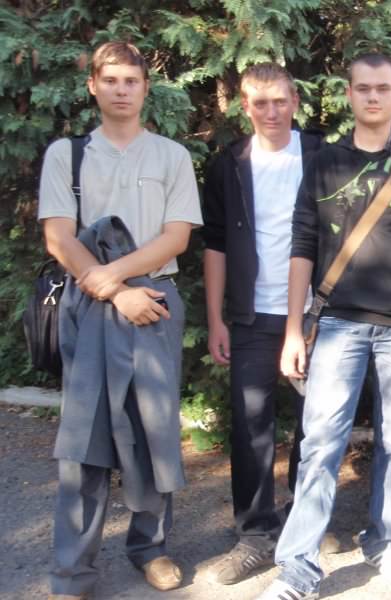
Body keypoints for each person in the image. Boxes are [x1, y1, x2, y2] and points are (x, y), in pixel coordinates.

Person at [257, 53, 391, 600]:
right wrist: (294, 329)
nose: (373, 97)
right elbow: (303, 244)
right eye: (363, 88)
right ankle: (298, 568)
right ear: (350, 93)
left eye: (383, 88)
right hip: (337, 323)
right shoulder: (324, 162)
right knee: (320, 445)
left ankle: (382, 541)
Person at [38, 42, 202, 599]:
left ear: (145, 87)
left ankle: (150, 549)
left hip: (153, 303)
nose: (121, 89)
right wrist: (111, 290)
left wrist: (122, 283)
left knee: (153, 431)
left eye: (131, 80)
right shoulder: (67, 155)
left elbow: (175, 238)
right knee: (82, 441)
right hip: (89, 306)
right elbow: (59, 237)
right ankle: (72, 572)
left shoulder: (171, 156)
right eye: (110, 80)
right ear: (93, 85)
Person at [202, 63, 323, 585]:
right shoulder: (229, 165)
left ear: (295, 101)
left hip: (316, 315)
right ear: (244, 107)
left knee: (315, 424)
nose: (271, 112)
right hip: (252, 315)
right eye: (260, 102)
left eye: (280, 101)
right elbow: (215, 244)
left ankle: (302, 521)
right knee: (251, 426)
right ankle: (254, 534)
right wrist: (216, 319)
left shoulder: (321, 155)